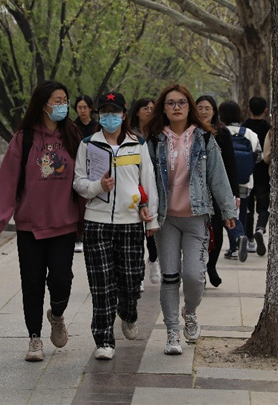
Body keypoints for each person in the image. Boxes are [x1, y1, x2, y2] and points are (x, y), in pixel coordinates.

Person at [0, 80, 82, 362]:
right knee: (32, 283)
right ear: (43, 104)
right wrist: (0, 217)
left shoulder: (73, 135)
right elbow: (8, 178)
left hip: (64, 222)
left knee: (61, 280)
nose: (63, 105)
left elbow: (84, 178)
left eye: (65, 100)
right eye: (57, 100)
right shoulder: (24, 138)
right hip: (30, 225)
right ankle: (34, 337)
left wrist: (87, 216)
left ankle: (57, 314)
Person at [147, 84, 236, 355]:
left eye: (182, 102)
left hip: (197, 216)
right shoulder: (154, 140)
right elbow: (145, 179)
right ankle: (172, 332)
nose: (176, 107)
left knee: (195, 276)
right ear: (163, 108)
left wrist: (228, 210)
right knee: (170, 276)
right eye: (171, 103)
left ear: (190, 107)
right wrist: (144, 209)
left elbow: (218, 175)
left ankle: (191, 311)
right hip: (166, 219)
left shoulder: (204, 138)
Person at [73, 91, 159, 360]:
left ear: (123, 114)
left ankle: (129, 313)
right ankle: (104, 339)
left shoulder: (138, 144)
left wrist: (152, 217)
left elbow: (148, 181)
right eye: (104, 112)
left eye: (114, 112)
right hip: (97, 222)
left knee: (131, 282)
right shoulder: (88, 144)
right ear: (99, 115)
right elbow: (78, 182)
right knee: (101, 285)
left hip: (131, 222)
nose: (109, 117)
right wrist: (98, 186)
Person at [196, 95, 240, 287]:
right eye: (200, 107)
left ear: (214, 111)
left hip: (217, 191)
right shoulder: (190, 132)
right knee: (197, 232)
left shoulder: (222, 133)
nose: (204, 111)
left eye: (208, 108)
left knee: (217, 229)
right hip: (196, 190)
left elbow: (230, 165)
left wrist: (233, 193)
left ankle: (211, 265)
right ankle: (198, 269)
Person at [218, 100, 262, 261]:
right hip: (245, 181)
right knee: (241, 213)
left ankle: (237, 241)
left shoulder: (220, 132)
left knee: (224, 214)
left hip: (223, 182)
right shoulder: (250, 133)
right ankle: (236, 245)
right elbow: (259, 157)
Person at [129, 97, 160, 286]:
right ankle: (138, 271)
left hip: (153, 184)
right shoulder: (129, 133)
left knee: (152, 229)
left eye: (152, 108)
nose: (149, 111)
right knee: (135, 233)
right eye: (145, 108)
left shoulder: (159, 133)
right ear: (137, 111)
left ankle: (153, 260)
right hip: (133, 184)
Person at [242, 96, 272, 256]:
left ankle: (250, 241)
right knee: (263, 206)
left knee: (248, 208)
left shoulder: (243, 129)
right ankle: (260, 229)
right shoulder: (269, 129)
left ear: (248, 109)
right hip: (263, 174)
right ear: (265, 110)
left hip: (246, 173)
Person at [72, 94, 99, 253]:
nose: (82, 110)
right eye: (79, 107)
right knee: (78, 203)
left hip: (95, 165)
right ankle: (78, 236)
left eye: (84, 107)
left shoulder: (97, 126)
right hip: (78, 165)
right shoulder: (72, 126)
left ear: (90, 109)